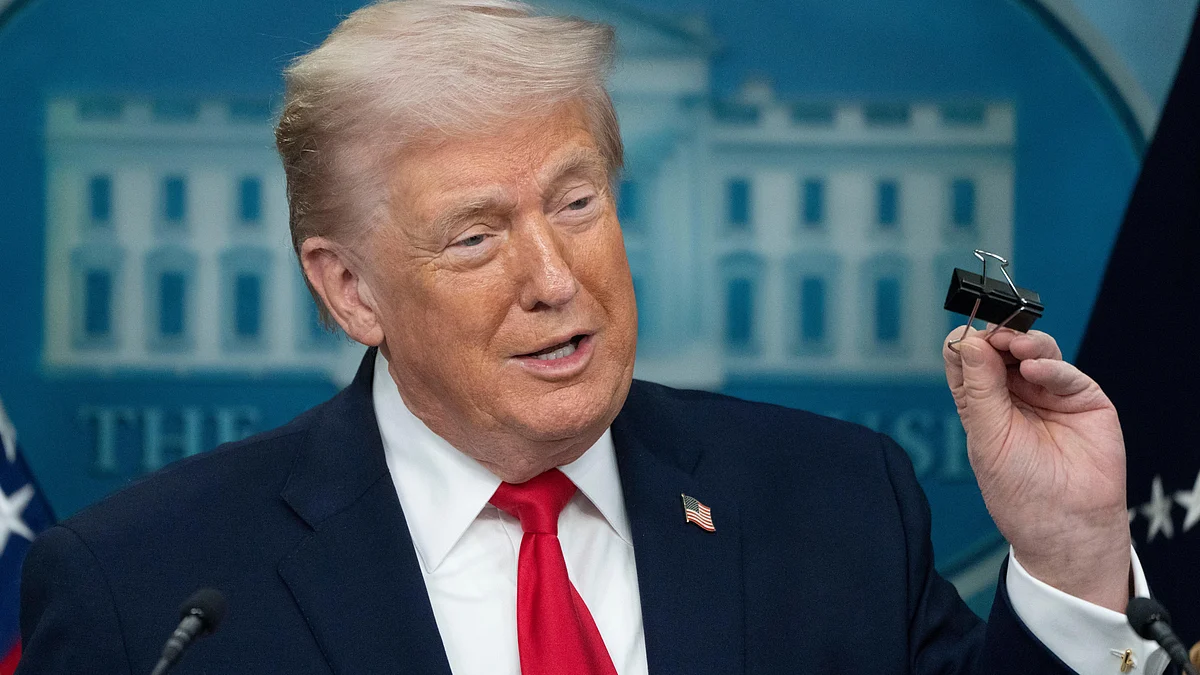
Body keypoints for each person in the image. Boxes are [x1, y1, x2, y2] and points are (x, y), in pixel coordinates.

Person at [15, 1, 1166, 673]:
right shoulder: (150, 593)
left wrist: (1069, 558)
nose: (555, 278)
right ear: (350, 289)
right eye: (474, 238)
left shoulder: (836, 501)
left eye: (577, 203)